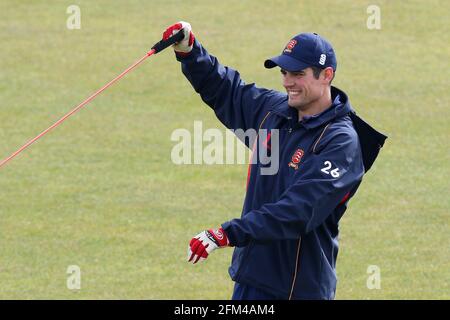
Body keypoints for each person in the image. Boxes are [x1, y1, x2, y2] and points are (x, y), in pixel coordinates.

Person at [162, 21, 387, 300]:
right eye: (284, 72)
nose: (287, 81)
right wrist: (190, 51)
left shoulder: (341, 143)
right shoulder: (274, 111)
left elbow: (299, 209)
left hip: (298, 289)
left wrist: (228, 233)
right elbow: (227, 90)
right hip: (251, 277)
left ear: (326, 74)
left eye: (297, 73)